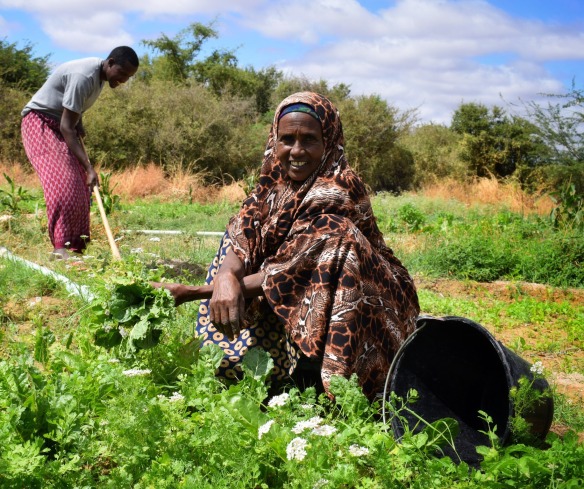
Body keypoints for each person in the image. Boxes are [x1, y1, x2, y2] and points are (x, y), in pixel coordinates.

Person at [158, 92, 420, 402]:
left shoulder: (340, 185)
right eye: (287, 139)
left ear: (329, 142)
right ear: (274, 140)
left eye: (309, 139)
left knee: (335, 234)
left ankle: (342, 387)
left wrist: (193, 292)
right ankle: (245, 364)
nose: (296, 150)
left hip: (371, 298)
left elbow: (295, 263)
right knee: (236, 235)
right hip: (295, 285)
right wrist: (227, 278)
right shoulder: (273, 183)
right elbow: (244, 235)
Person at [21, 46, 139, 260]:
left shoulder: (101, 77)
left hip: (61, 124)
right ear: (110, 62)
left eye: (128, 77)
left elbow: (74, 106)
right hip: (40, 123)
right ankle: (60, 249)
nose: (123, 80)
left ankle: (75, 247)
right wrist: (89, 168)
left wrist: (79, 122)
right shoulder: (84, 76)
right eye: (122, 74)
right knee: (61, 184)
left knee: (80, 187)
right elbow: (67, 127)